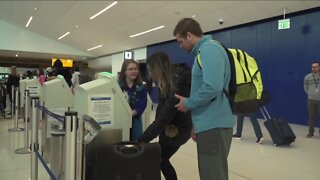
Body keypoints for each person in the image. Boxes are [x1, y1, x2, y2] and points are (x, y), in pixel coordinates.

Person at [173, 18, 233, 180]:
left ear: (189, 35)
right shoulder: (206, 51)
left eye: (180, 41)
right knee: (212, 172)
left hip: (214, 125)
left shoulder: (209, 50)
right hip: (210, 124)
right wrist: (197, 124)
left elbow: (213, 87)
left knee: (212, 175)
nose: (180, 46)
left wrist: (189, 103)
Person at [138, 52, 192, 180]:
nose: (150, 75)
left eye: (151, 71)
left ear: (158, 68)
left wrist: (142, 139)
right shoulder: (167, 82)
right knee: (161, 160)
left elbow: (163, 118)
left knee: (160, 159)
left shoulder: (177, 85)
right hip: (170, 130)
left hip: (177, 131)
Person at [118, 59, 147, 141]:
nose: (134, 71)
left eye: (135, 69)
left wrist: (130, 114)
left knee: (135, 144)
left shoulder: (141, 87)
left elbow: (142, 105)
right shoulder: (117, 86)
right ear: (124, 71)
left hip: (135, 121)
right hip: (120, 120)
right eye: (130, 69)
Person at [304, 62, 320, 138]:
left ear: (319, 67)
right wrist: (310, 93)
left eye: (316, 67)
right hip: (311, 100)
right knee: (311, 117)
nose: (314, 68)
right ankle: (311, 132)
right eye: (313, 67)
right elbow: (305, 86)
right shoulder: (307, 77)